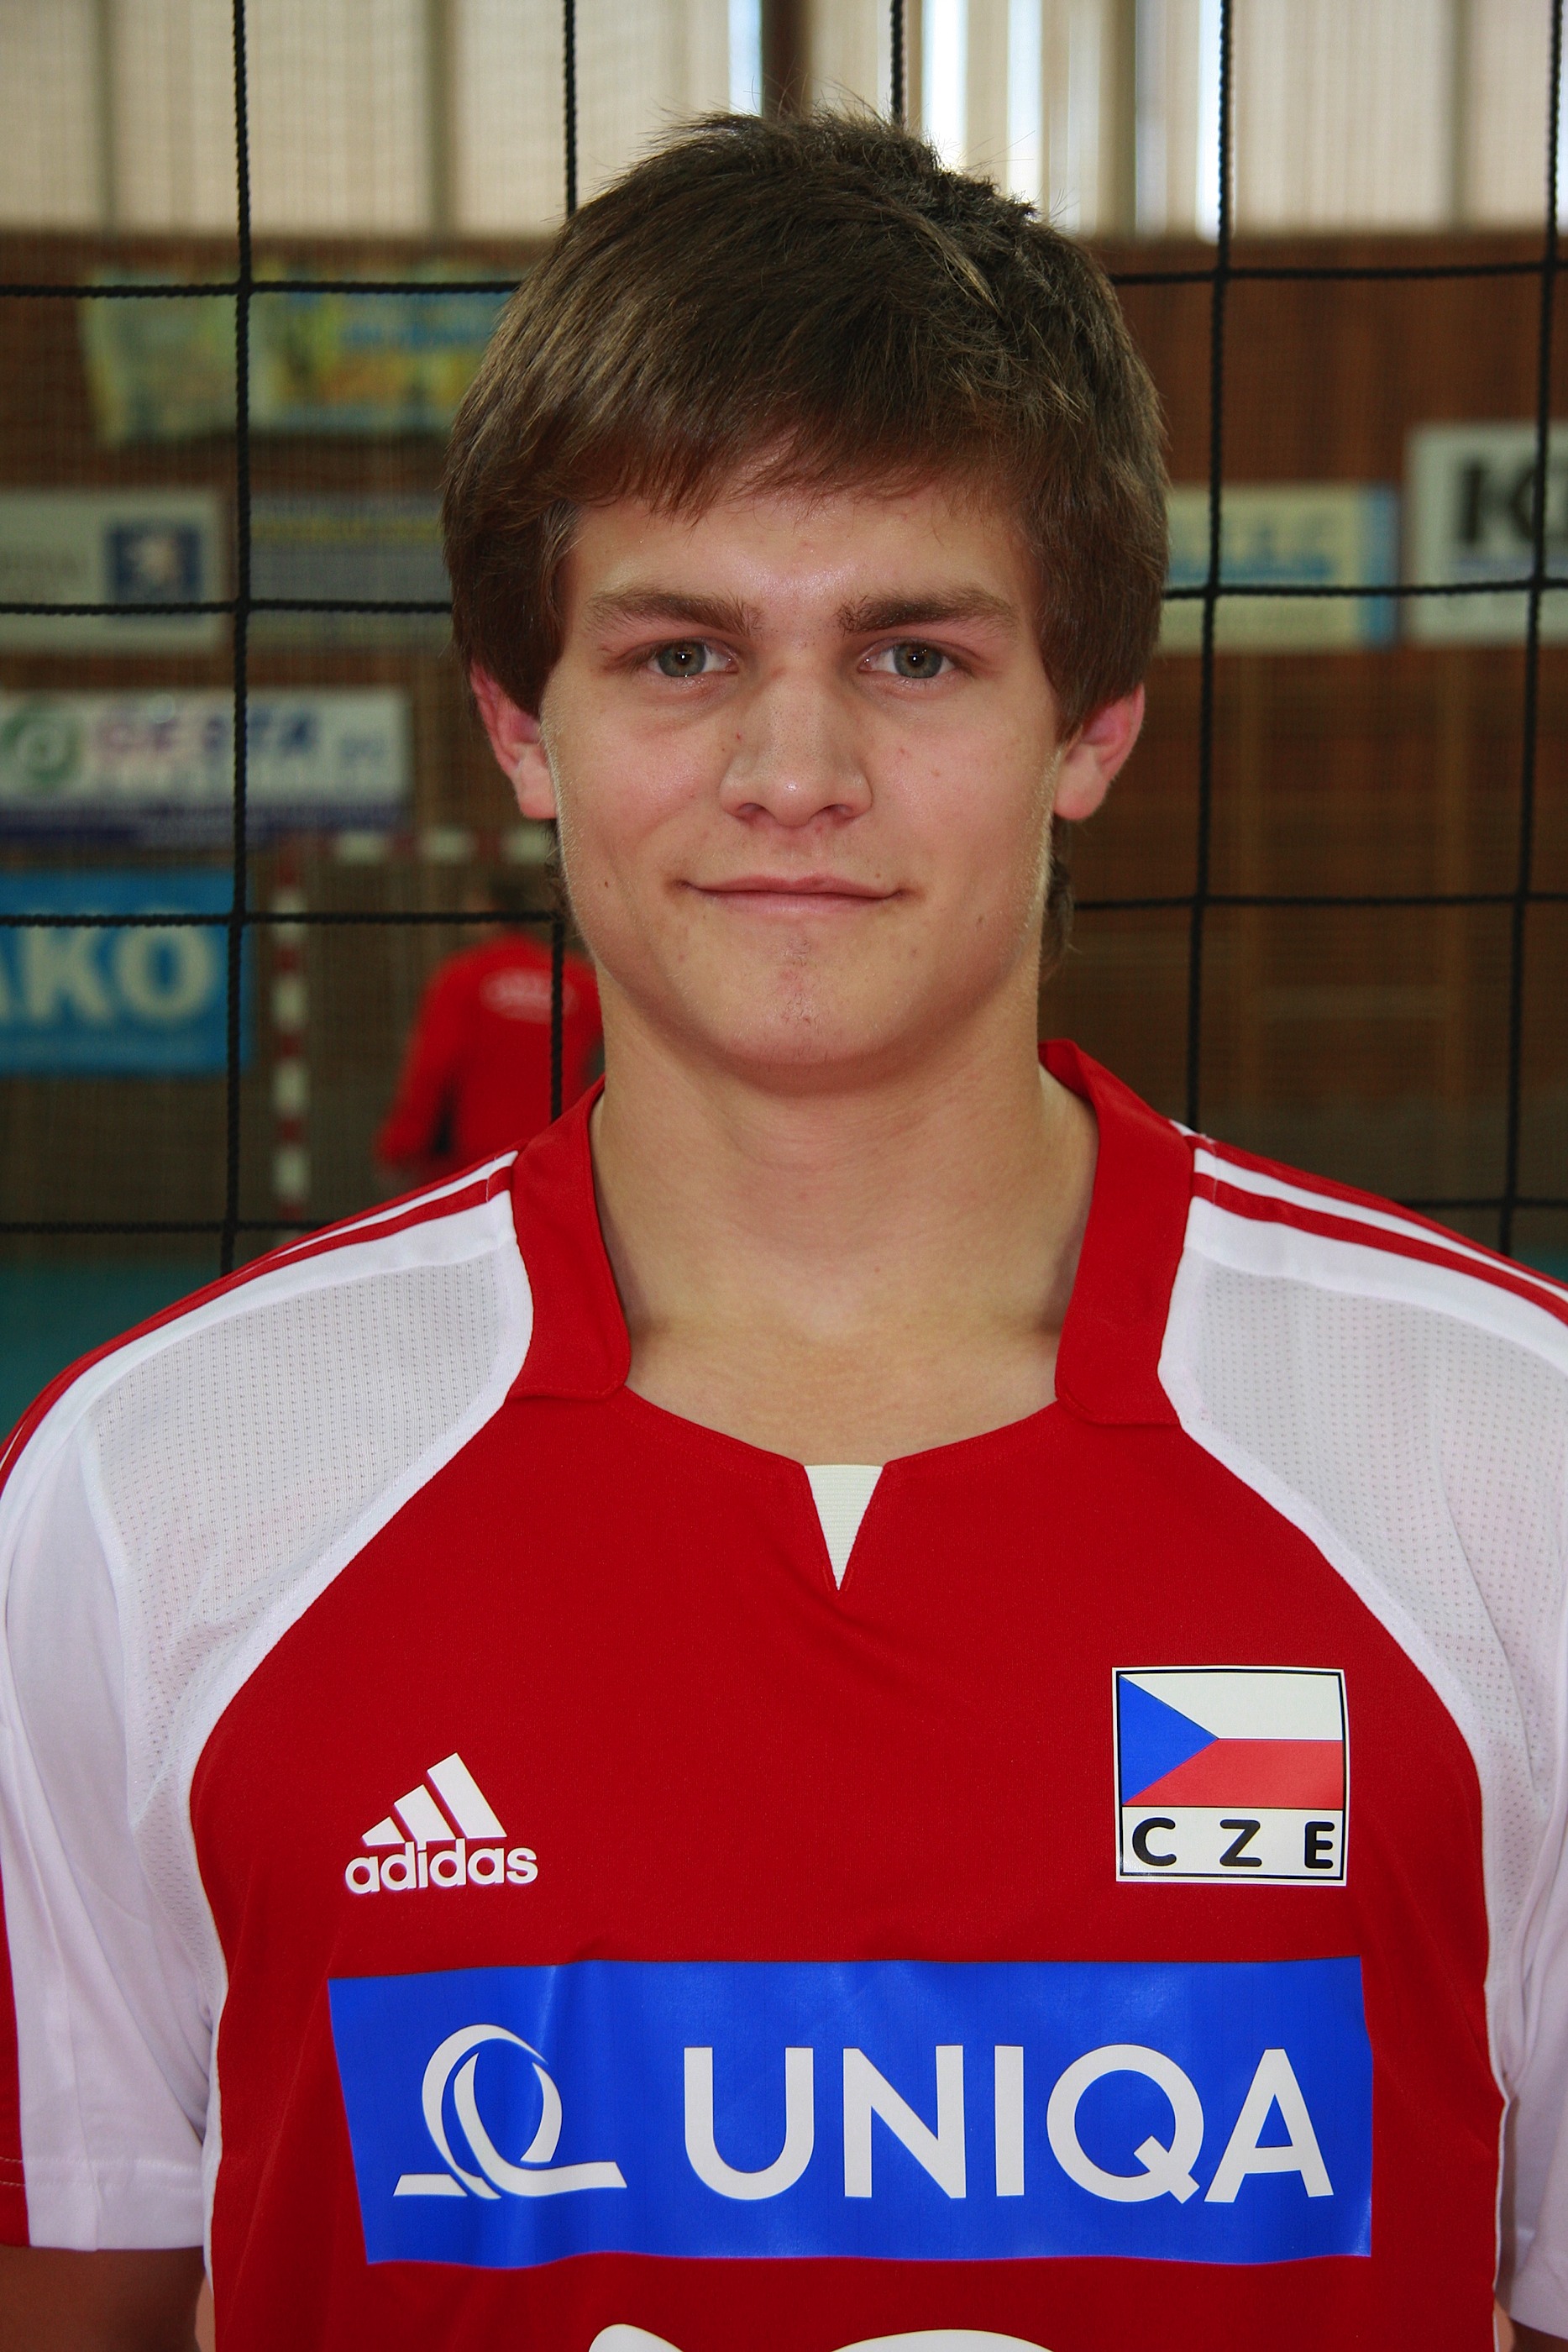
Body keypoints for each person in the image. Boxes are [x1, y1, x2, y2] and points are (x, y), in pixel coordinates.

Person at [0, 108, 1563, 2352]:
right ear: (517, 724)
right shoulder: (150, 1492)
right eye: (681, 654)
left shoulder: (1507, 1463)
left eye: (912, 654)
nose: (793, 768)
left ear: (1090, 725)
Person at [374, 877, 601, 1184]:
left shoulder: (463, 978)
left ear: (489, 910)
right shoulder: (578, 982)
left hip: (473, 1164)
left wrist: (402, 1143)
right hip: (554, 1156)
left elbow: (433, 1068)